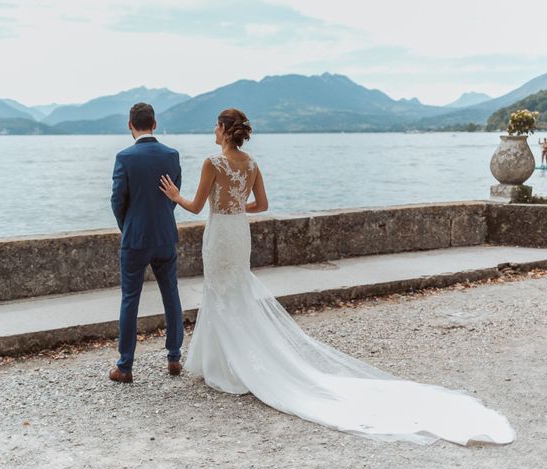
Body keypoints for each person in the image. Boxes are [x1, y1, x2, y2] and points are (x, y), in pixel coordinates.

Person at [158, 107, 516, 446]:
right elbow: (263, 205)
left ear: (222, 129)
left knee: (220, 290)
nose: (213, 131)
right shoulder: (250, 163)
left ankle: (224, 366)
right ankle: (226, 360)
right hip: (238, 231)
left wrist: (175, 195)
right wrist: (238, 207)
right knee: (234, 290)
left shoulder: (213, 162)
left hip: (220, 231)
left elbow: (196, 205)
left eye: (215, 126)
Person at [109, 102, 184, 383]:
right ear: (154, 123)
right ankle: (174, 358)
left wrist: (127, 226)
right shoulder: (171, 155)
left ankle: (125, 366)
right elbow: (174, 194)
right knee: (171, 294)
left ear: (130, 125)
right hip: (165, 235)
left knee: (130, 299)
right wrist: (162, 219)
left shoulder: (125, 157)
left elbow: (118, 200)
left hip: (135, 237)